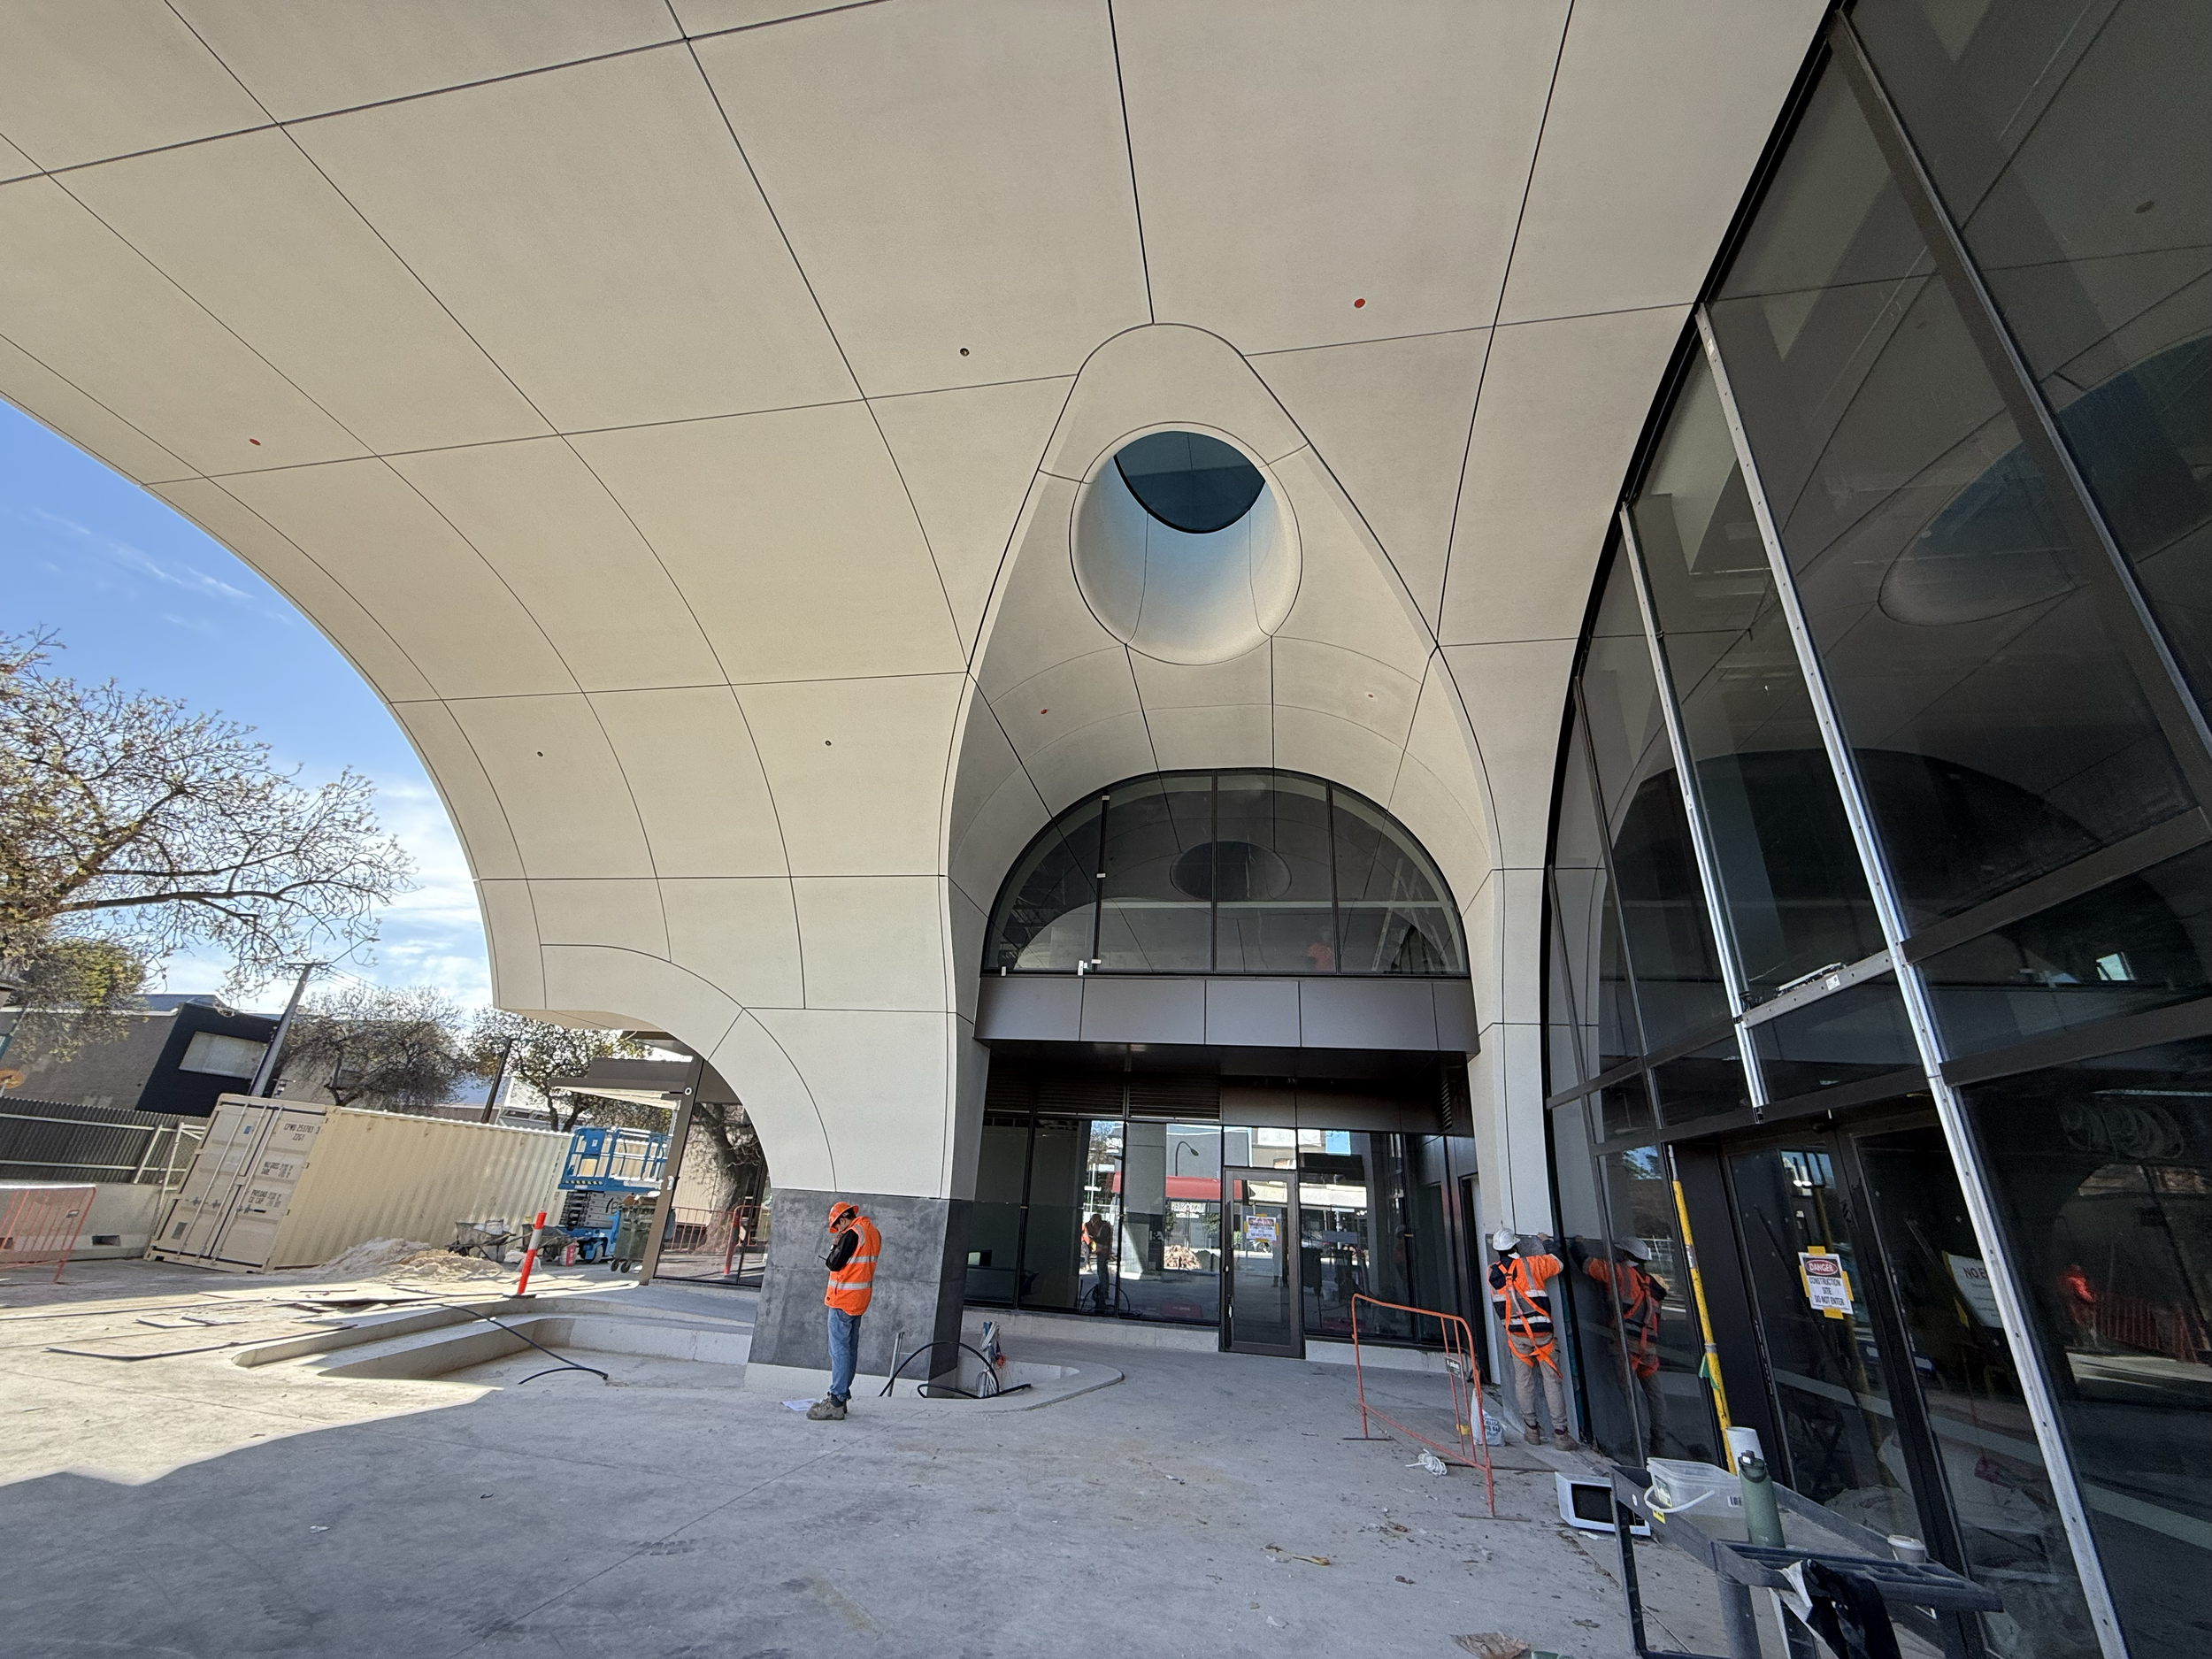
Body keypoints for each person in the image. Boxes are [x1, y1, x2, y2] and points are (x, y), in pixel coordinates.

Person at [1585, 1236, 1670, 1454]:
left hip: (1626, 1345)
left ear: (1626, 1255)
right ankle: (1659, 1442)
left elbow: (1587, 1265)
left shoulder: (1620, 1272)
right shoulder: (1651, 1282)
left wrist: (1575, 1245)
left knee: (1632, 1397)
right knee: (1655, 1395)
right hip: (1649, 1347)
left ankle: (1641, 1444)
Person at [1489, 1227, 1572, 1447]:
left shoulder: (1492, 1273)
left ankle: (1531, 1431)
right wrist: (1546, 1242)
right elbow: (1558, 1262)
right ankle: (1561, 1435)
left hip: (1517, 1335)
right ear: (1515, 1246)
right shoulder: (1532, 1264)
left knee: (1523, 1382)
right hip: (1542, 1334)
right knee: (1552, 1381)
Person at [807, 1200, 879, 1421]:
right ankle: (842, 1397)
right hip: (859, 1298)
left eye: (836, 1226)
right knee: (849, 1349)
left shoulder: (851, 1233)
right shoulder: (872, 1232)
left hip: (843, 1299)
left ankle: (837, 1399)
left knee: (838, 1350)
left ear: (843, 1219)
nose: (837, 1230)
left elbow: (834, 1264)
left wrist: (835, 1244)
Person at [1083, 1210, 1114, 1312]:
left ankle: (1104, 1291)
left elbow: (1101, 1239)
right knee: (1101, 1271)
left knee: (1102, 1272)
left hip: (1103, 1252)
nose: (1092, 1223)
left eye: (1093, 1220)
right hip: (1101, 1251)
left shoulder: (1104, 1227)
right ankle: (1103, 1289)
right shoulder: (1103, 1226)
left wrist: (1093, 1238)